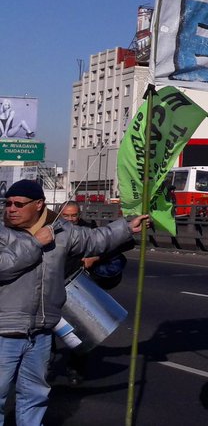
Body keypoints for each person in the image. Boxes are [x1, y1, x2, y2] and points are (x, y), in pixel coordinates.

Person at [0, 179, 146, 426]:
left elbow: (95, 239)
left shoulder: (60, 231)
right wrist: (36, 243)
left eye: (18, 204)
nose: (11, 209)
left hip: (42, 331)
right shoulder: (3, 233)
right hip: (5, 331)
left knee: (35, 395)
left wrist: (127, 227)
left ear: (38, 205)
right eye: (8, 204)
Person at [54, 201, 130, 385]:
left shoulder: (88, 229)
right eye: (67, 216)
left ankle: (76, 370)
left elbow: (112, 244)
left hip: (78, 288)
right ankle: (44, 368)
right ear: (59, 215)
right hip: (53, 288)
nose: (71, 219)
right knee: (46, 333)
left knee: (80, 332)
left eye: (74, 215)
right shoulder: (52, 231)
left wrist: (95, 257)